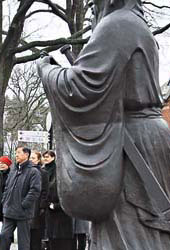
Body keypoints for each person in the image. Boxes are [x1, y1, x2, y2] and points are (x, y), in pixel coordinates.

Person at [37, 0, 170, 249]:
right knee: (143, 232)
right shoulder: (137, 25)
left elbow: (80, 85)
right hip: (145, 135)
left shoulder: (117, 24)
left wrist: (47, 71)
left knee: (129, 234)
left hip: (132, 142)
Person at [0, 147, 41, 250]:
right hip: (9, 211)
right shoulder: (13, 169)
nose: (16, 155)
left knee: (23, 242)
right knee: (3, 236)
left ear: (26, 155)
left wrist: (24, 204)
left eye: (19, 153)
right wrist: (5, 202)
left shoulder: (33, 171)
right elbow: (7, 187)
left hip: (23, 213)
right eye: (15, 153)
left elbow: (35, 190)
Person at [42, 151, 74, 250]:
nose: (45, 159)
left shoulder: (62, 171)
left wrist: (56, 205)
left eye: (47, 157)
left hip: (61, 210)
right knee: (52, 239)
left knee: (62, 240)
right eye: (44, 157)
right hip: (49, 210)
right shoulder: (43, 170)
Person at [29, 151, 49, 250]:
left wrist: (42, 206)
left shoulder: (43, 173)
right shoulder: (26, 171)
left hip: (37, 207)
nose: (31, 160)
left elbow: (45, 190)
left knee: (36, 236)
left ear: (38, 160)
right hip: (27, 208)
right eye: (30, 158)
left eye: (33, 158)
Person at [0, 155, 12, 222]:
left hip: (6, 202)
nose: (1, 165)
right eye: (0, 163)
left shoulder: (11, 175)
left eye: (3, 163)